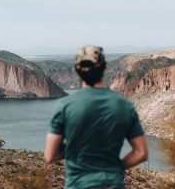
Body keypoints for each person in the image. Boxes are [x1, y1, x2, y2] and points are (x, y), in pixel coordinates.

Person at [44, 45, 148, 189]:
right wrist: (115, 168)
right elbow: (141, 153)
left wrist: (77, 148)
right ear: (104, 68)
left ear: (77, 70)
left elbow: (50, 155)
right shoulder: (124, 105)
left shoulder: (65, 106)